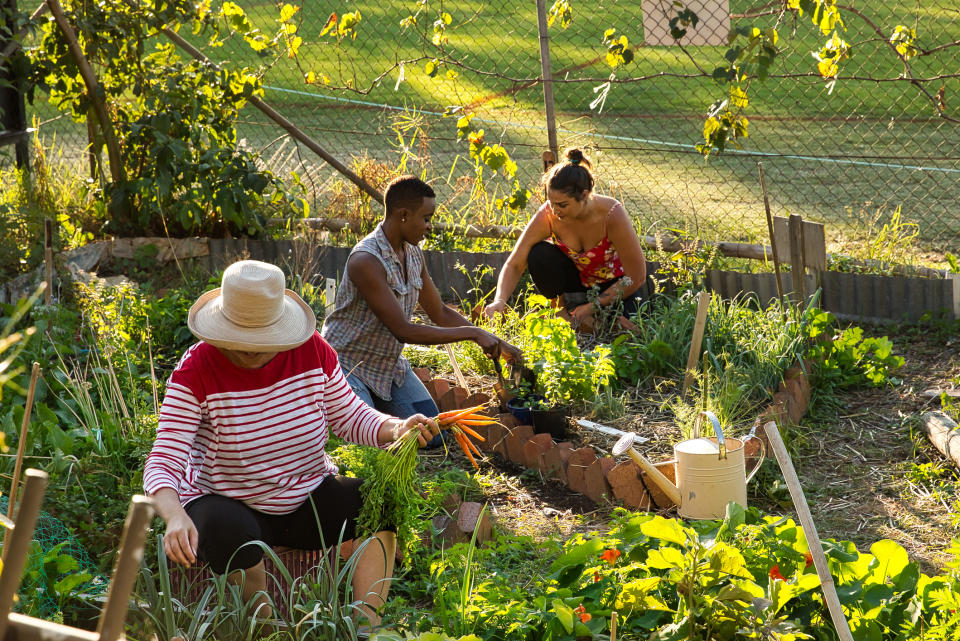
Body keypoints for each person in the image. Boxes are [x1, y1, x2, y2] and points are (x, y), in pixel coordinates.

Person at [143, 259, 439, 628]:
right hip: (230, 501)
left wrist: (396, 428)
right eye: (239, 340)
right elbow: (163, 460)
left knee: (380, 504)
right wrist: (174, 516)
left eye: (261, 340)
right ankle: (265, 630)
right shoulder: (196, 371)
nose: (250, 350)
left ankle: (367, 628)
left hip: (306, 498)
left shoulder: (312, 351)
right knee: (221, 529)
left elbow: (350, 417)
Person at [321, 175, 521, 421]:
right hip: (348, 365)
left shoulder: (413, 253)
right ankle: (353, 403)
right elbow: (404, 331)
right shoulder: (366, 260)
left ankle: (374, 407)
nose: (430, 226)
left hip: (389, 366)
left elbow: (440, 313)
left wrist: (494, 340)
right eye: (426, 219)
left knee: (430, 432)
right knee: (366, 438)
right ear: (403, 215)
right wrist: (473, 334)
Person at [483, 148, 649, 330]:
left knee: (628, 327)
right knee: (539, 253)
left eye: (562, 205)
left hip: (616, 283)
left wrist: (592, 306)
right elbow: (515, 263)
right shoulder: (548, 214)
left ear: (584, 195)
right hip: (579, 279)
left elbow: (637, 276)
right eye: (551, 203)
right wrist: (499, 300)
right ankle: (561, 315)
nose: (554, 211)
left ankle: (594, 321)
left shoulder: (611, 214)